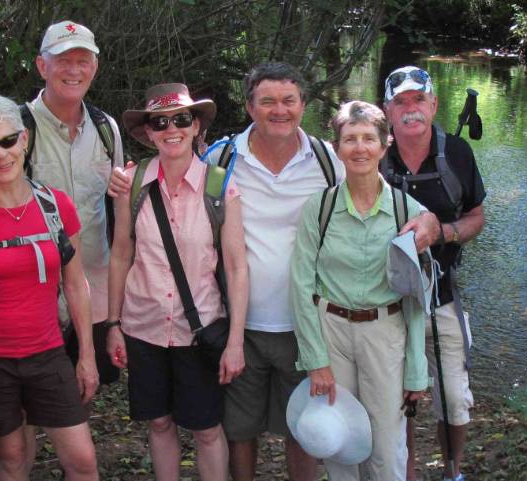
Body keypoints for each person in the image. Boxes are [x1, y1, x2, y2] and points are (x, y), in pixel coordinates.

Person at [108, 62, 440, 481]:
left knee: (304, 427)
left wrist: (428, 221)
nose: (278, 110)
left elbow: (380, 194)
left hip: (311, 325)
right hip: (240, 324)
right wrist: (123, 180)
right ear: (250, 107)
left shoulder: (327, 159)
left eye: (288, 100)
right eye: (267, 101)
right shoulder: (223, 159)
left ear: (303, 104)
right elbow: (174, 168)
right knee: (239, 428)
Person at [0, 20, 122, 395]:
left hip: (90, 289)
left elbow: (114, 206)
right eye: (63, 60)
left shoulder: (106, 128)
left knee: (82, 390)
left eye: (83, 60)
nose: (74, 70)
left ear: (95, 67)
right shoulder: (15, 127)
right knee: (28, 406)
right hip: (32, 300)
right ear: (42, 66)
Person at [0, 95, 99, 481]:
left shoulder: (55, 205)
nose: (1, 154)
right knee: (11, 459)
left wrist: (87, 355)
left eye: (8, 141)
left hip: (48, 354)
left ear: (24, 138)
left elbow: (76, 283)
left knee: (82, 460)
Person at [106, 83, 248, 481]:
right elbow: (121, 254)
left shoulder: (220, 186)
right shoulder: (132, 185)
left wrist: (235, 340)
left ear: (196, 126)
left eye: (181, 119)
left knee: (206, 429)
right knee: (159, 424)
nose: (172, 129)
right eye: (160, 122)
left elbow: (236, 266)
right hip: (143, 327)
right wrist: (113, 325)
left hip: (199, 328)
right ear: (148, 132)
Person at [289, 100, 431, 481]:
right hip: (330, 331)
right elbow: (302, 286)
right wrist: (315, 358)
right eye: (350, 139)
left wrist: (417, 370)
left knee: (387, 444)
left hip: (386, 333)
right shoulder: (318, 209)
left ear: (385, 145)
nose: (359, 148)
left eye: (369, 138)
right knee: (339, 441)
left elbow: (417, 300)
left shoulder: (408, 212)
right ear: (337, 148)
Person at [382, 66, 487, 481]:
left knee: (455, 398)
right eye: (401, 102)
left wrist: (444, 232)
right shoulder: (371, 154)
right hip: (387, 300)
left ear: (434, 105)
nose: (411, 111)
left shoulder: (457, 153)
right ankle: (403, 471)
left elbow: (477, 217)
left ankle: (452, 471)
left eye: (418, 100)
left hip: (442, 294)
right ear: (387, 110)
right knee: (397, 398)